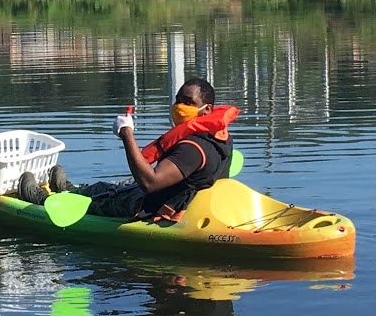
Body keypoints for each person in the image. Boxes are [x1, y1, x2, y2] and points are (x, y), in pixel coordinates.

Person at [22, 77, 238, 223]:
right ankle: (67, 188)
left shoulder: (192, 147)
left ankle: (43, 201)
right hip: (182, 198)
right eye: (178, 100)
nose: (180, 106)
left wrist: (126, 134)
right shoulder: (219, 136)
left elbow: (150, 182)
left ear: (207, 109)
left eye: (188, 102)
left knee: (101, 194)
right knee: (112, 185)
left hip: (151, 206)